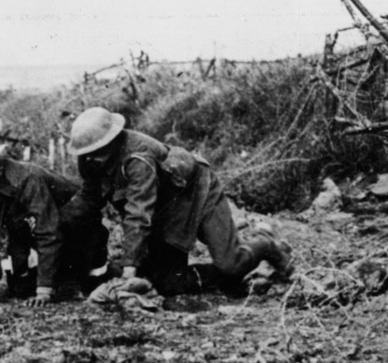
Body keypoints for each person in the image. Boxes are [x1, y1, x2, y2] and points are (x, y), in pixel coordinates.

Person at [62, 106, 294, 298]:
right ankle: (229, 282)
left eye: (97, 151)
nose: (91, 159)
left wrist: (129, 268)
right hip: (168, 210)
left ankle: (266, 245)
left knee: (230, 262)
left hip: (198, 191)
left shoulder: (137, 158)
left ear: (112, 141)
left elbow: (139, 213)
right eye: (87, 153)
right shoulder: (91, 160)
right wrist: (58, 223)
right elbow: (88, 199)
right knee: (170, 284)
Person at [0, 140, 108, 306]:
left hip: (78, 228)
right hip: (32, 229)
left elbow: (49, 232)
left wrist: (44, 291)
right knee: (20, 290)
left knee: (76, 287)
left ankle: (83, 274)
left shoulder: (28, 179)